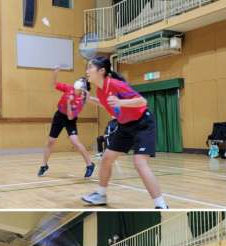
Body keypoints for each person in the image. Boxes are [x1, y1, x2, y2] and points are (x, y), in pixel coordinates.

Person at [81, 56, 168, 209]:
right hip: (124, 126)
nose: (87, 71)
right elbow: (106, 104)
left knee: (139, 162)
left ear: (101, 71)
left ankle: (161, 205)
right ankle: (101, 195)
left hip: (142, 123)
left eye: (90, 67)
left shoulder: (115, 84)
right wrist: (90, 100)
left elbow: (142, 101)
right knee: (106, 158)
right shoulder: (100, 90)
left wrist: (120, 102)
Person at [38, 67, 95, 178]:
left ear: (82, 90)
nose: (75, 89)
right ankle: (44, 165)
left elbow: (70, 117)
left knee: (75, 142)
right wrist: (55, 73)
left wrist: (69, 103)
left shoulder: (80, 101)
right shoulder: (69, 88)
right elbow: (55, 84)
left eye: (78, 88)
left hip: (70, 119)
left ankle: (89, 165)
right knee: (51, 141)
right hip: (59, 115)